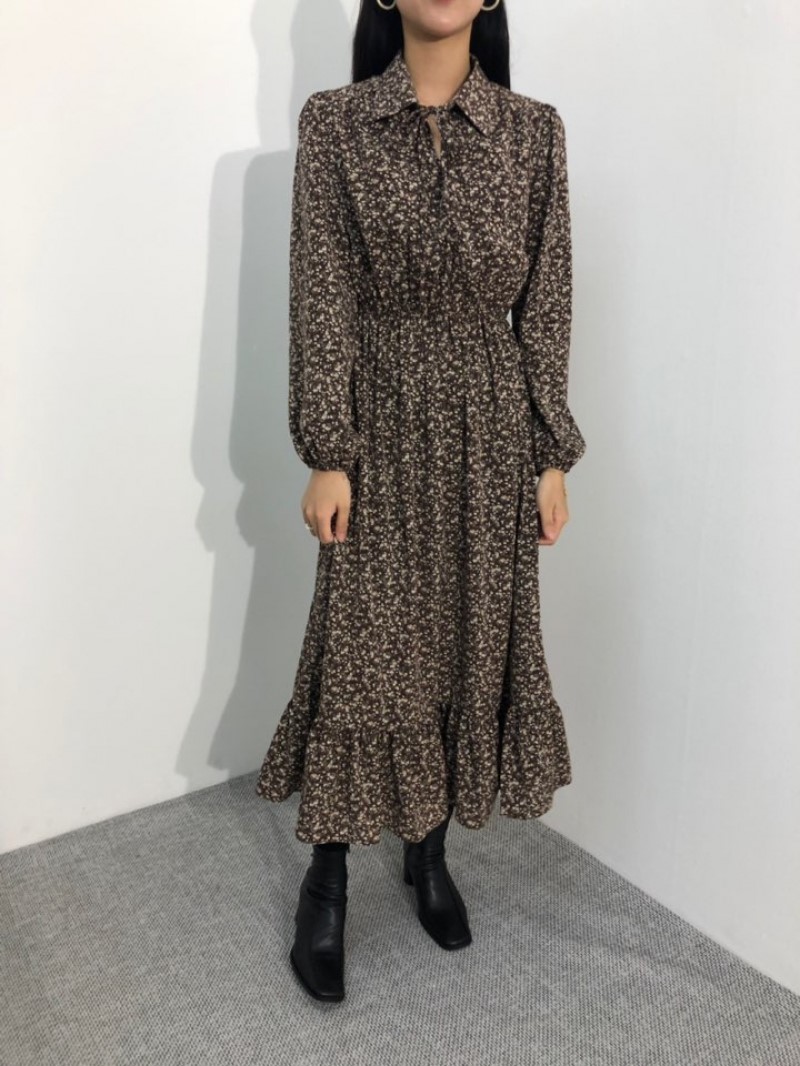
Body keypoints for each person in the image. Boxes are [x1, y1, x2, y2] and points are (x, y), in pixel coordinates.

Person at [256, 0, 587, 1003]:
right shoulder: (335, 124)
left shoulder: (534, 133)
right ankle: (326, 880)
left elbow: (547, 304)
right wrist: (328, 451)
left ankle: (427, 851)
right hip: (379, 416)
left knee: (465, 640)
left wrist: (550, 453)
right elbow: (320, 291)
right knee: (365, 646)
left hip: (492, 426)